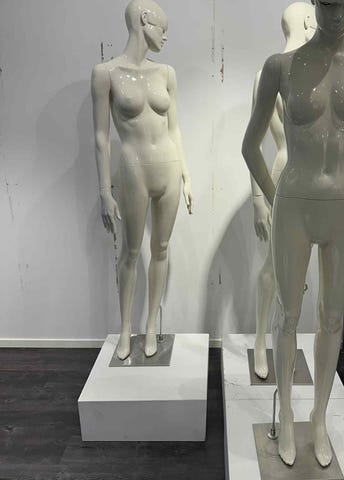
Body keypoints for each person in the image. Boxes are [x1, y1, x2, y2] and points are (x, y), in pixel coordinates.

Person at [242, 0, 344, 467]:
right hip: (295, 202)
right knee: (288, 314)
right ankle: (288, 415)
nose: (338, 13)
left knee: (332, 317)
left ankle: (320, 417)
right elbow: (250, 146)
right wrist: (275, 198)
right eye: (327, 1)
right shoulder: (281, 66)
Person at [91, 0, 193, 360]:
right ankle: (125, 328)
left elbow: (174, 128)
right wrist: (104, 191)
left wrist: (186, 173)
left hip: (169, 169)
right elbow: (102, 137)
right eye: (162, 29)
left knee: (161, 249)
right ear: (144, 19)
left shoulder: (166, 73)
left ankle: (151, 326)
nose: (165, 37)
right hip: (133, 169)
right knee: (131, 252)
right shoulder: (105, 73)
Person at [251, 2, 317, 379]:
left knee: (300, 266)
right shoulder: (268, 73)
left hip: (314, 179)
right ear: (308, 21)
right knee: (274, 264)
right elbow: (253, 141)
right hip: (283, 170)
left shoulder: (319, 73)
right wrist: (257, 199)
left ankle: (284, 337)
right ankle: (261, 338)